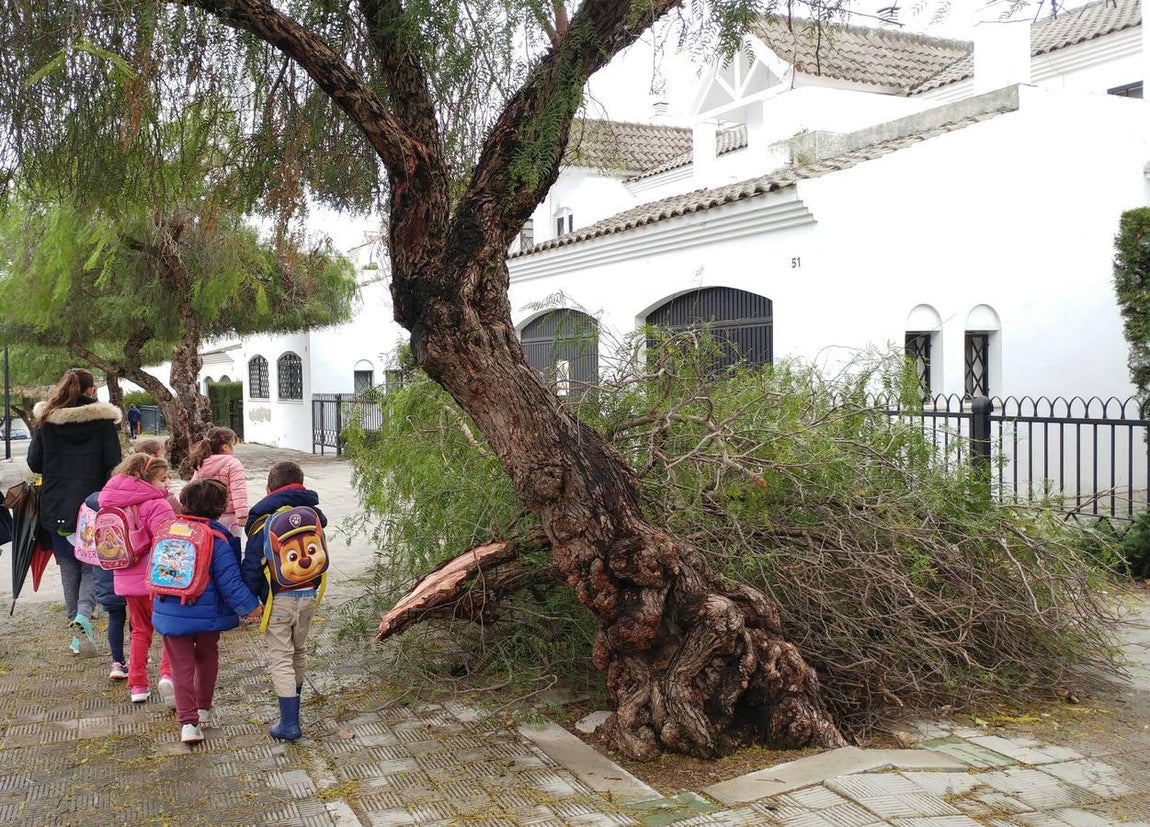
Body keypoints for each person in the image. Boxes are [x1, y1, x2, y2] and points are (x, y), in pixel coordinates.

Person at [153, 479, 261, 745]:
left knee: (180, 666)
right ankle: (203, 709)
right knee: (207, 658)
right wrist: (251, 608)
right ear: (217, 508)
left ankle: (188, 724)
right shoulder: (217, 539)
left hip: (170, 609)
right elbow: (230, 582)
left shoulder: (167, 532)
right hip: (207, 613)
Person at [27, 368, 122, 655]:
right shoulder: (104, 422)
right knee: (92, 562)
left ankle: (75, 622)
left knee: (68, 564)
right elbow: (114, 462)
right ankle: (83, 613)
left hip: (55, 503)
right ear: (90, 391)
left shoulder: (47, 420)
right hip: (93, 503)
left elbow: (34, 462)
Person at [242, 461, 328, 741]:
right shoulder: (313, 514)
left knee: (280, 656)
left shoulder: (262, 520)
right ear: (302, 484)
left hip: (278, 599)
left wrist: (249, 603)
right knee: (299, 650)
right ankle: (295, 708)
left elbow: (252, 565)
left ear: (269, 489)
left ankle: (289, 723)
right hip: (309, 596)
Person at [101, 453, 177, 705]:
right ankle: (168, 674)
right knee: (170, 629)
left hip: (126, 578)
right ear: (145, 479)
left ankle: (137, 685)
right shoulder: (156, 504)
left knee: (139, 631)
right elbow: (169, 542)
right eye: (162, 479)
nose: (166, 484)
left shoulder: (111, 502)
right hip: (157, 579)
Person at [189, 427, 247, 535]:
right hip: (229, 514)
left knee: (210, 543)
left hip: (206, 514)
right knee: (232, 545)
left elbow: (192, 488)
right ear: (225, 447)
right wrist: (242, 514)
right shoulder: (233, 464)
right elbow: (238, 490)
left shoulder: (201, 462)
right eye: (233, 446)